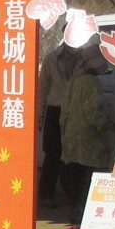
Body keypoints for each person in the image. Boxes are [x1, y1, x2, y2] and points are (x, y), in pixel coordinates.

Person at [58, 43, 115, 221]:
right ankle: (83, 215)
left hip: (70, 139)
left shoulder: (74, 79)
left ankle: (76, 212)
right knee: (89, 181)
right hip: (89, 142)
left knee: (75, 180)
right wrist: (109, 125)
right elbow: (94, 113)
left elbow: (64, 112)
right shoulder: (91, 82)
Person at [37, 41, 81, 209]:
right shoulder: (51, 58)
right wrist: (39, 115)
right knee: (52, 154)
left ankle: (71, 195)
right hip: (55, 110)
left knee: (73, 155)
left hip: (75, 110)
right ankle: (46, 195)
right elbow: (43, 89)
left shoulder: (83, 58)